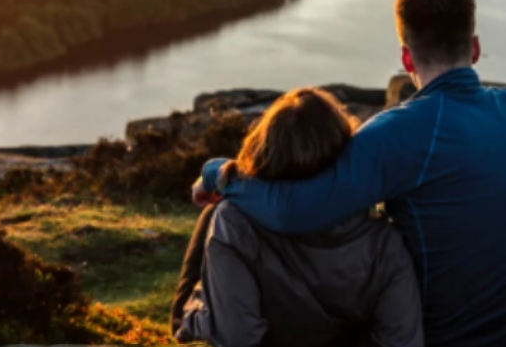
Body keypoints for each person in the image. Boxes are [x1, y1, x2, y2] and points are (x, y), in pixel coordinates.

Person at [192, 0, 506, 347]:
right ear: (476, 48)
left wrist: (218, 174)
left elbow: (294, 211)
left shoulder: (400, 131)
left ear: (405, 57)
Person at [173, 87, 423, 347]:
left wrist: (196, 318)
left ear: (265, 149)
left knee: (215, 212)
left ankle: (187, 316)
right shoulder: (385, 246)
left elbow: (238, 337)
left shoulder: (234, 225)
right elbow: (402, 341)